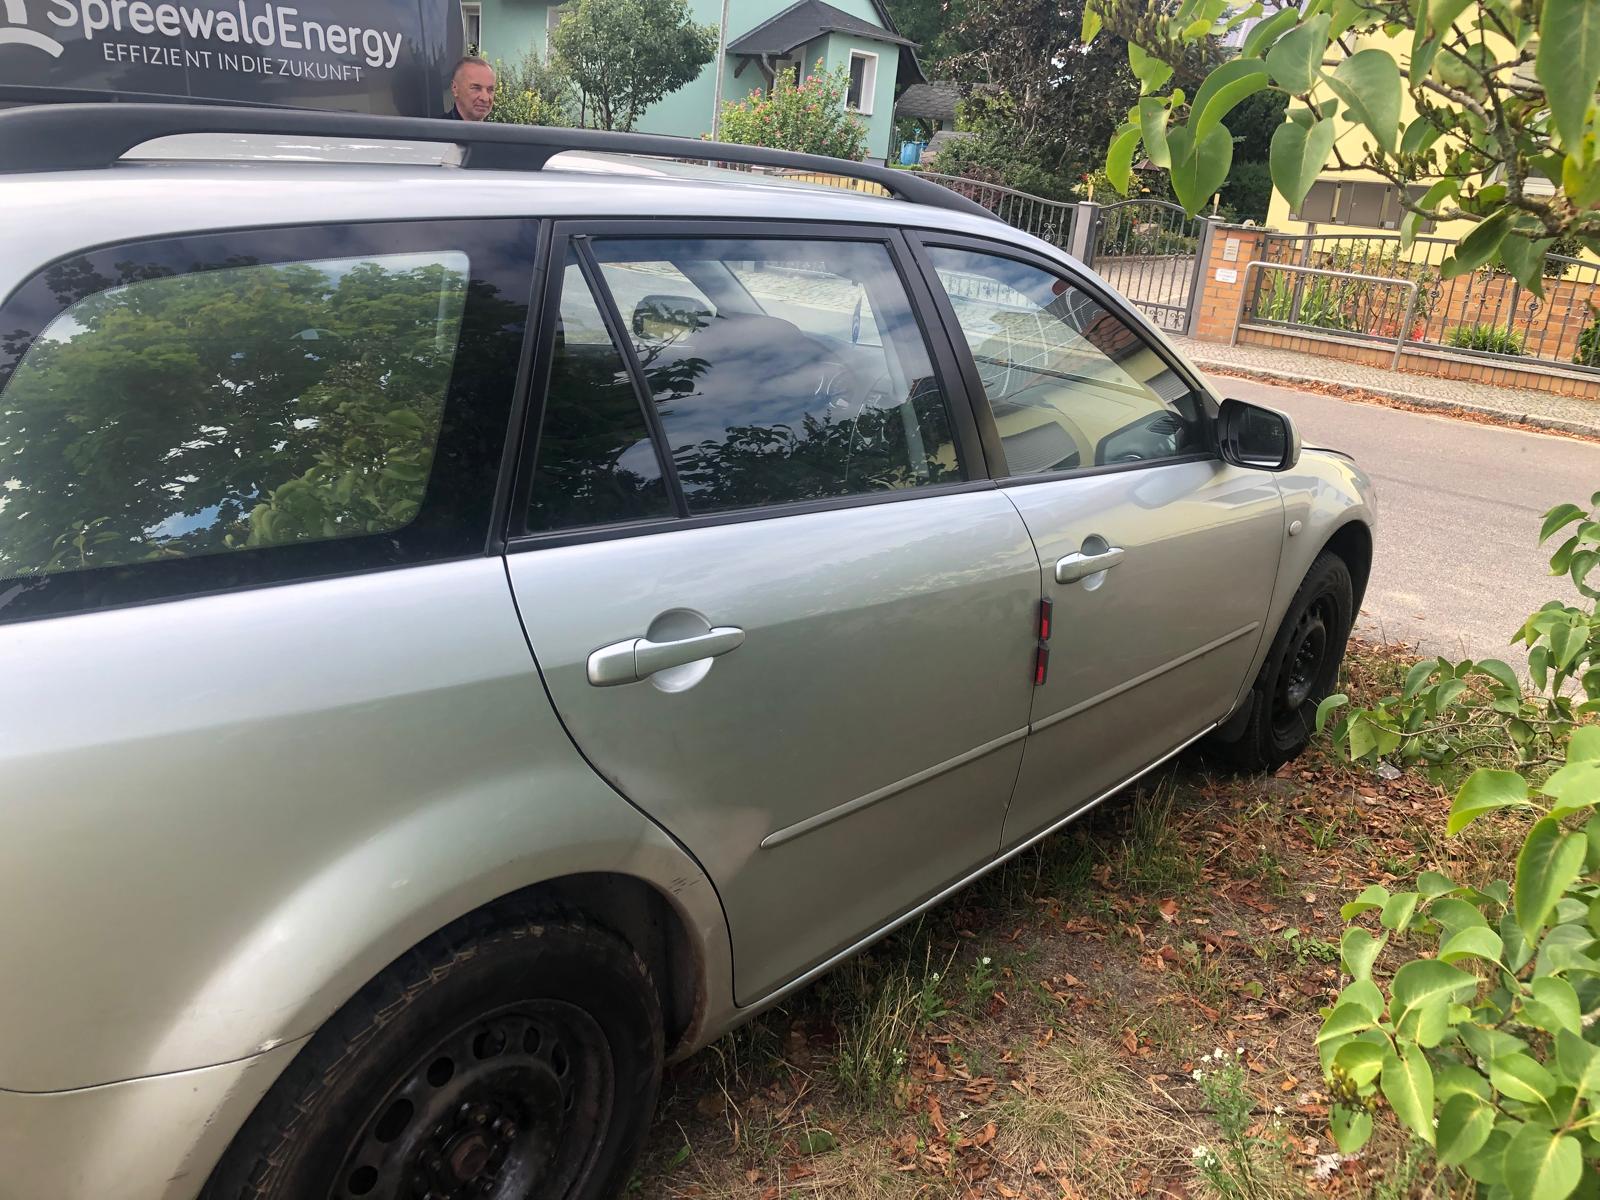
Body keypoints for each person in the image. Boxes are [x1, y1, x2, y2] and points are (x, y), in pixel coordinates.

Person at [442, 56, 495, 121]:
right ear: (455, 88)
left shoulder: (495, 130)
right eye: (476, 88)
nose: (485, 98)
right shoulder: (434, 129)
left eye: (490, 90)